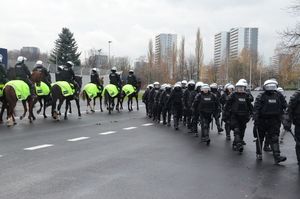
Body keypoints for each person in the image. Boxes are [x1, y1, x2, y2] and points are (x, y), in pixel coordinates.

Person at [253, 79, 287, 164]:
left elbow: (285, 105)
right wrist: (256, 119)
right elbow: (256, 108)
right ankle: (259, 153)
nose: (271, 88)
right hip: (262, 121)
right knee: (260, 138)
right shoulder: (261, 96)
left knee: (274, 138)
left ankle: (277, 156)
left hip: (274, 121)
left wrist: (285, 116)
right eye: (269, 86)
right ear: (265, 87)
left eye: (273, 86)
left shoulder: (279, 95)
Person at [224, 80, 253, 153]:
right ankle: (239, 145)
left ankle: (235, 143)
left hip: (244, 117)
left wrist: (253, 113)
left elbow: (250, 105)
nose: (240, 89)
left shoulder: (246, 95)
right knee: (236, 130)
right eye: (239, 88)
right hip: (235, 116)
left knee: (242, 131)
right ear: (236, 88)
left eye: (242, 88)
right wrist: (225, 115)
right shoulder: (233, 95)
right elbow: (227, 105)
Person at [287, 89, 300, 167]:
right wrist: (287, 122)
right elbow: (289, 110)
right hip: (299, 124)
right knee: (299, 143)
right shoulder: (297, 96)